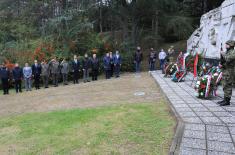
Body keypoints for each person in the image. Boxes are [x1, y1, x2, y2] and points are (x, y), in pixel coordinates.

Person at [217, 40, 235, 106]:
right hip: (225, 70)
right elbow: (224, 61)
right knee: (224, 85)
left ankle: (227, 101)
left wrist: (222, 53)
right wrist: (221, 64)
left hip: (230, 71)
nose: (225, 46)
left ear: (231, 45)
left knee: (228, 85)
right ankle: (225, 99)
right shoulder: (227, 52)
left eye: (227, 44)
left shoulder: (233, 52)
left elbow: (228, 59)